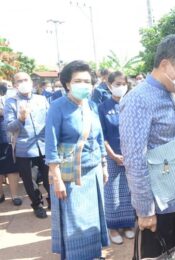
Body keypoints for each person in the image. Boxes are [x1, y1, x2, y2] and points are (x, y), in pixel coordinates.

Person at [119, 34, 175, 258]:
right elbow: (134, 158)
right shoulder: (139, 99)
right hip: (158, 205)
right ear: (165, 65)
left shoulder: (171, 94)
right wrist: (145, 210)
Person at [45, 60, 109, 260]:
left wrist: (104, 165)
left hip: (93, 173)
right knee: (74, 223)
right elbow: (51, 145)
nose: (84, 85)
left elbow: (99, 138)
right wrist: (57, 179)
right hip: (69, 176)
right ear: (67, 84)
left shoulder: (92, 105)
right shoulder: (57, 107)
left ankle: (93, 255)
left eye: (87, 81)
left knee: (92, 222)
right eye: (78, 80)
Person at [4, 72, 50, 218]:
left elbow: (50, 121)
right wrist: (21, 119)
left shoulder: (42, 99)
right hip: (25, 149)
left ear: (32, 82)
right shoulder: (11, 102)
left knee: (50, 178)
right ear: (14, 85)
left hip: (45, 146)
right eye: (19, 81)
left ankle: (52, 201)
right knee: (30, 181)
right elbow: (9, 127)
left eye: (26, 80)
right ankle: (37, 205)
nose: (23, 83)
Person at [98, 71, 135, 245]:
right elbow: (102, 135)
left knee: (128, 191)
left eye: (123, 83)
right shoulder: (103, 107)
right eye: (117, 83)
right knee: (112, 192)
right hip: (112, 155)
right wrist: (113, 155)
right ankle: (112, 228)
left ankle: (128, 225)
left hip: (131, 155)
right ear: (109, 85)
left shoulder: (132, 104)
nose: (121, 86)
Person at [0, 82, 21, 206]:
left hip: (6, 138)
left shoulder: (9, 99)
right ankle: (1, 195)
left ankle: (15, 196)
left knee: (12, 168)